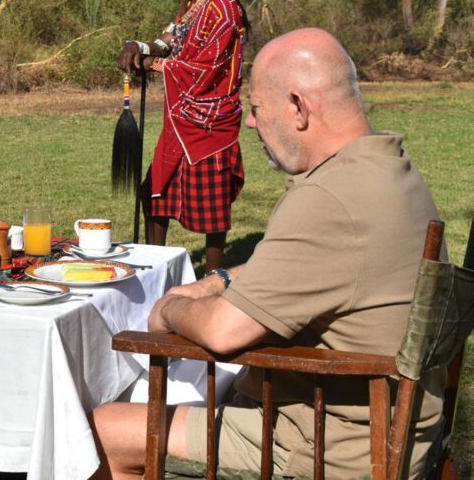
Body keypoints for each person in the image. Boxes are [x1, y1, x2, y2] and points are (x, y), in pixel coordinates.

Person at [92, 28, 445, 479]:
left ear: (297, 107)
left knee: (102, 431)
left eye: (256, 108)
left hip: (327, 448)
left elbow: (222, 333)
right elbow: (303, 266)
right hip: (395, 427)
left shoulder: (328, 199)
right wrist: (215, 281)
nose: (251, 123)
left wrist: (171, 308)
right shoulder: (391, 171)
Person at [118, 0, 249, 271]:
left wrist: (156, 65)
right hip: (181, 119)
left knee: (212, 208)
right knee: (155, 194)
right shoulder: (192, 4)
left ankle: (213, 276)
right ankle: (155, 269)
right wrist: (140, 47)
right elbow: (167, 41)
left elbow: (207, 67)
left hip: (210, 120)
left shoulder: (224, 8)